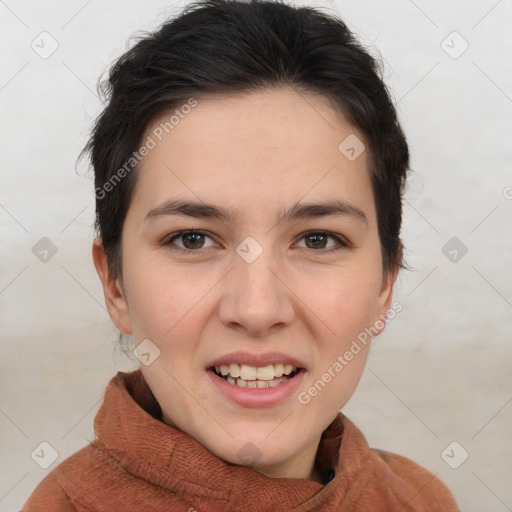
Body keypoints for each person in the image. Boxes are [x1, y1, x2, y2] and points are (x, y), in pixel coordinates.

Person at [22, 0, 460, 510]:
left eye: (317, 239)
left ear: (385, 284)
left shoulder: (420, 499)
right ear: (114, 284)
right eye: (192, 239)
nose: (256, 309)